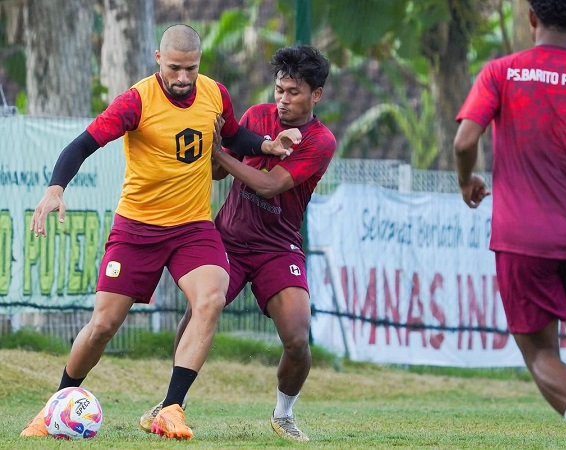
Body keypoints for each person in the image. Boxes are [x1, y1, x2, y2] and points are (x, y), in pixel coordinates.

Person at [20, 24, 297, 441]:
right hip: (137, 228)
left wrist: (265, 146)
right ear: (157, 60)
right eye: (174, 68)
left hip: (192, 227)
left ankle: (171, 408)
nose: (183, 78)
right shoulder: (136, 101)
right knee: (103, 326)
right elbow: (82, 145)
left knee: (211, 296)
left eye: (190, 68)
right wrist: (56, 187)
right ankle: (55, 406)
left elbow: (233, 135)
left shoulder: (215, 93)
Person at [139, 45, 336, 442]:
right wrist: (204, 146)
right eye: (279, 89)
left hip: (278, 248)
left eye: (293, 92)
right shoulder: (256, 117)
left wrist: (220, 154)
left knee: (297, 339)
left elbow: (268, 185)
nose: (282, 99)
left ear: (316, 95)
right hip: (227, 238)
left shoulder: (321, 141)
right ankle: (171, 403)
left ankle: (283, 414)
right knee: (200, 308)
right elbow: (216, 172)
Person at [454, 1, 566, 448]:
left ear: (532, 19)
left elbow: (465, 140)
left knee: (540, 351)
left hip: (523, 239)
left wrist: (467, 181)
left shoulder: (502, 72)